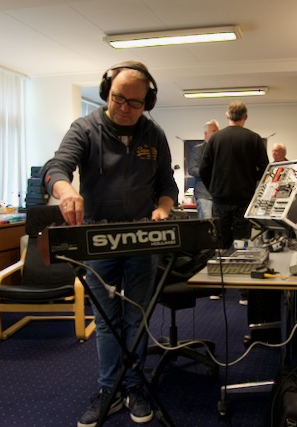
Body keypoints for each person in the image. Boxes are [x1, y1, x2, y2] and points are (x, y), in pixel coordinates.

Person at [41, 61, 178, 427]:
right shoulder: (85, 128)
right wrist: (66, 191)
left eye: (135, 103)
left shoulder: (154, 134)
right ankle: (109, 388)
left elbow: (167, 185)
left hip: (142, 238)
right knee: (106, 320)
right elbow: (56, 167)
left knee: (136, 316)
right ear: (107, 92)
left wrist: (163, 209)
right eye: (118, 98)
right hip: (98, 238)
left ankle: (133, 387)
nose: (124, 108)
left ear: (147, 103)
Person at [199, 101, 269, 305]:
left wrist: (213, 188)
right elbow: (265, 169)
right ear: (245, 117)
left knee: (220, 243)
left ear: (227, 116)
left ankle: (217, 289)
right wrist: (251, 179)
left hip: (220, 197)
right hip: (243, 198)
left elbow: (203, 168)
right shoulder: (254, 138)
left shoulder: (215, 138)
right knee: (242, 244)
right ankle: (244, 293)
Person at [188, 119, 219, 219]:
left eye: (218, 131)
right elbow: (191, 169)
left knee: (219, 224)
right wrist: (209, 172)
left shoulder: (220, 150)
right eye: (214, 131)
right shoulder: (198, 149)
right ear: (206, 134)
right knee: (207, 224)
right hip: (204, 195)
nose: (217, 133)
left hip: (219, 195)